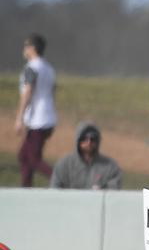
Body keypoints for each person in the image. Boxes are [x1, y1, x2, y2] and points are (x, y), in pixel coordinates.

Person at [14, 33, 57, 187]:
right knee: (24, 156)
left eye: (26, 45)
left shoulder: (31, 68)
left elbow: (28, 92)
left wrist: (19, 118)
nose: (24, 49)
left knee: (33, 158)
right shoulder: (49, 68)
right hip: (48, 117)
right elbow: (52, 92)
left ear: (32, 48)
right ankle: (25, 189)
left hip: (38, 120)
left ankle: (62, 181)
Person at [51, 122, 122, 190]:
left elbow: (112, 194)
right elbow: (55, 190)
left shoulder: (110, 167)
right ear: (78, 140)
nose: (89, 142)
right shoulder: (64, 165)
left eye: (93, 138)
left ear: (98, 141)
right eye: (84, 138)